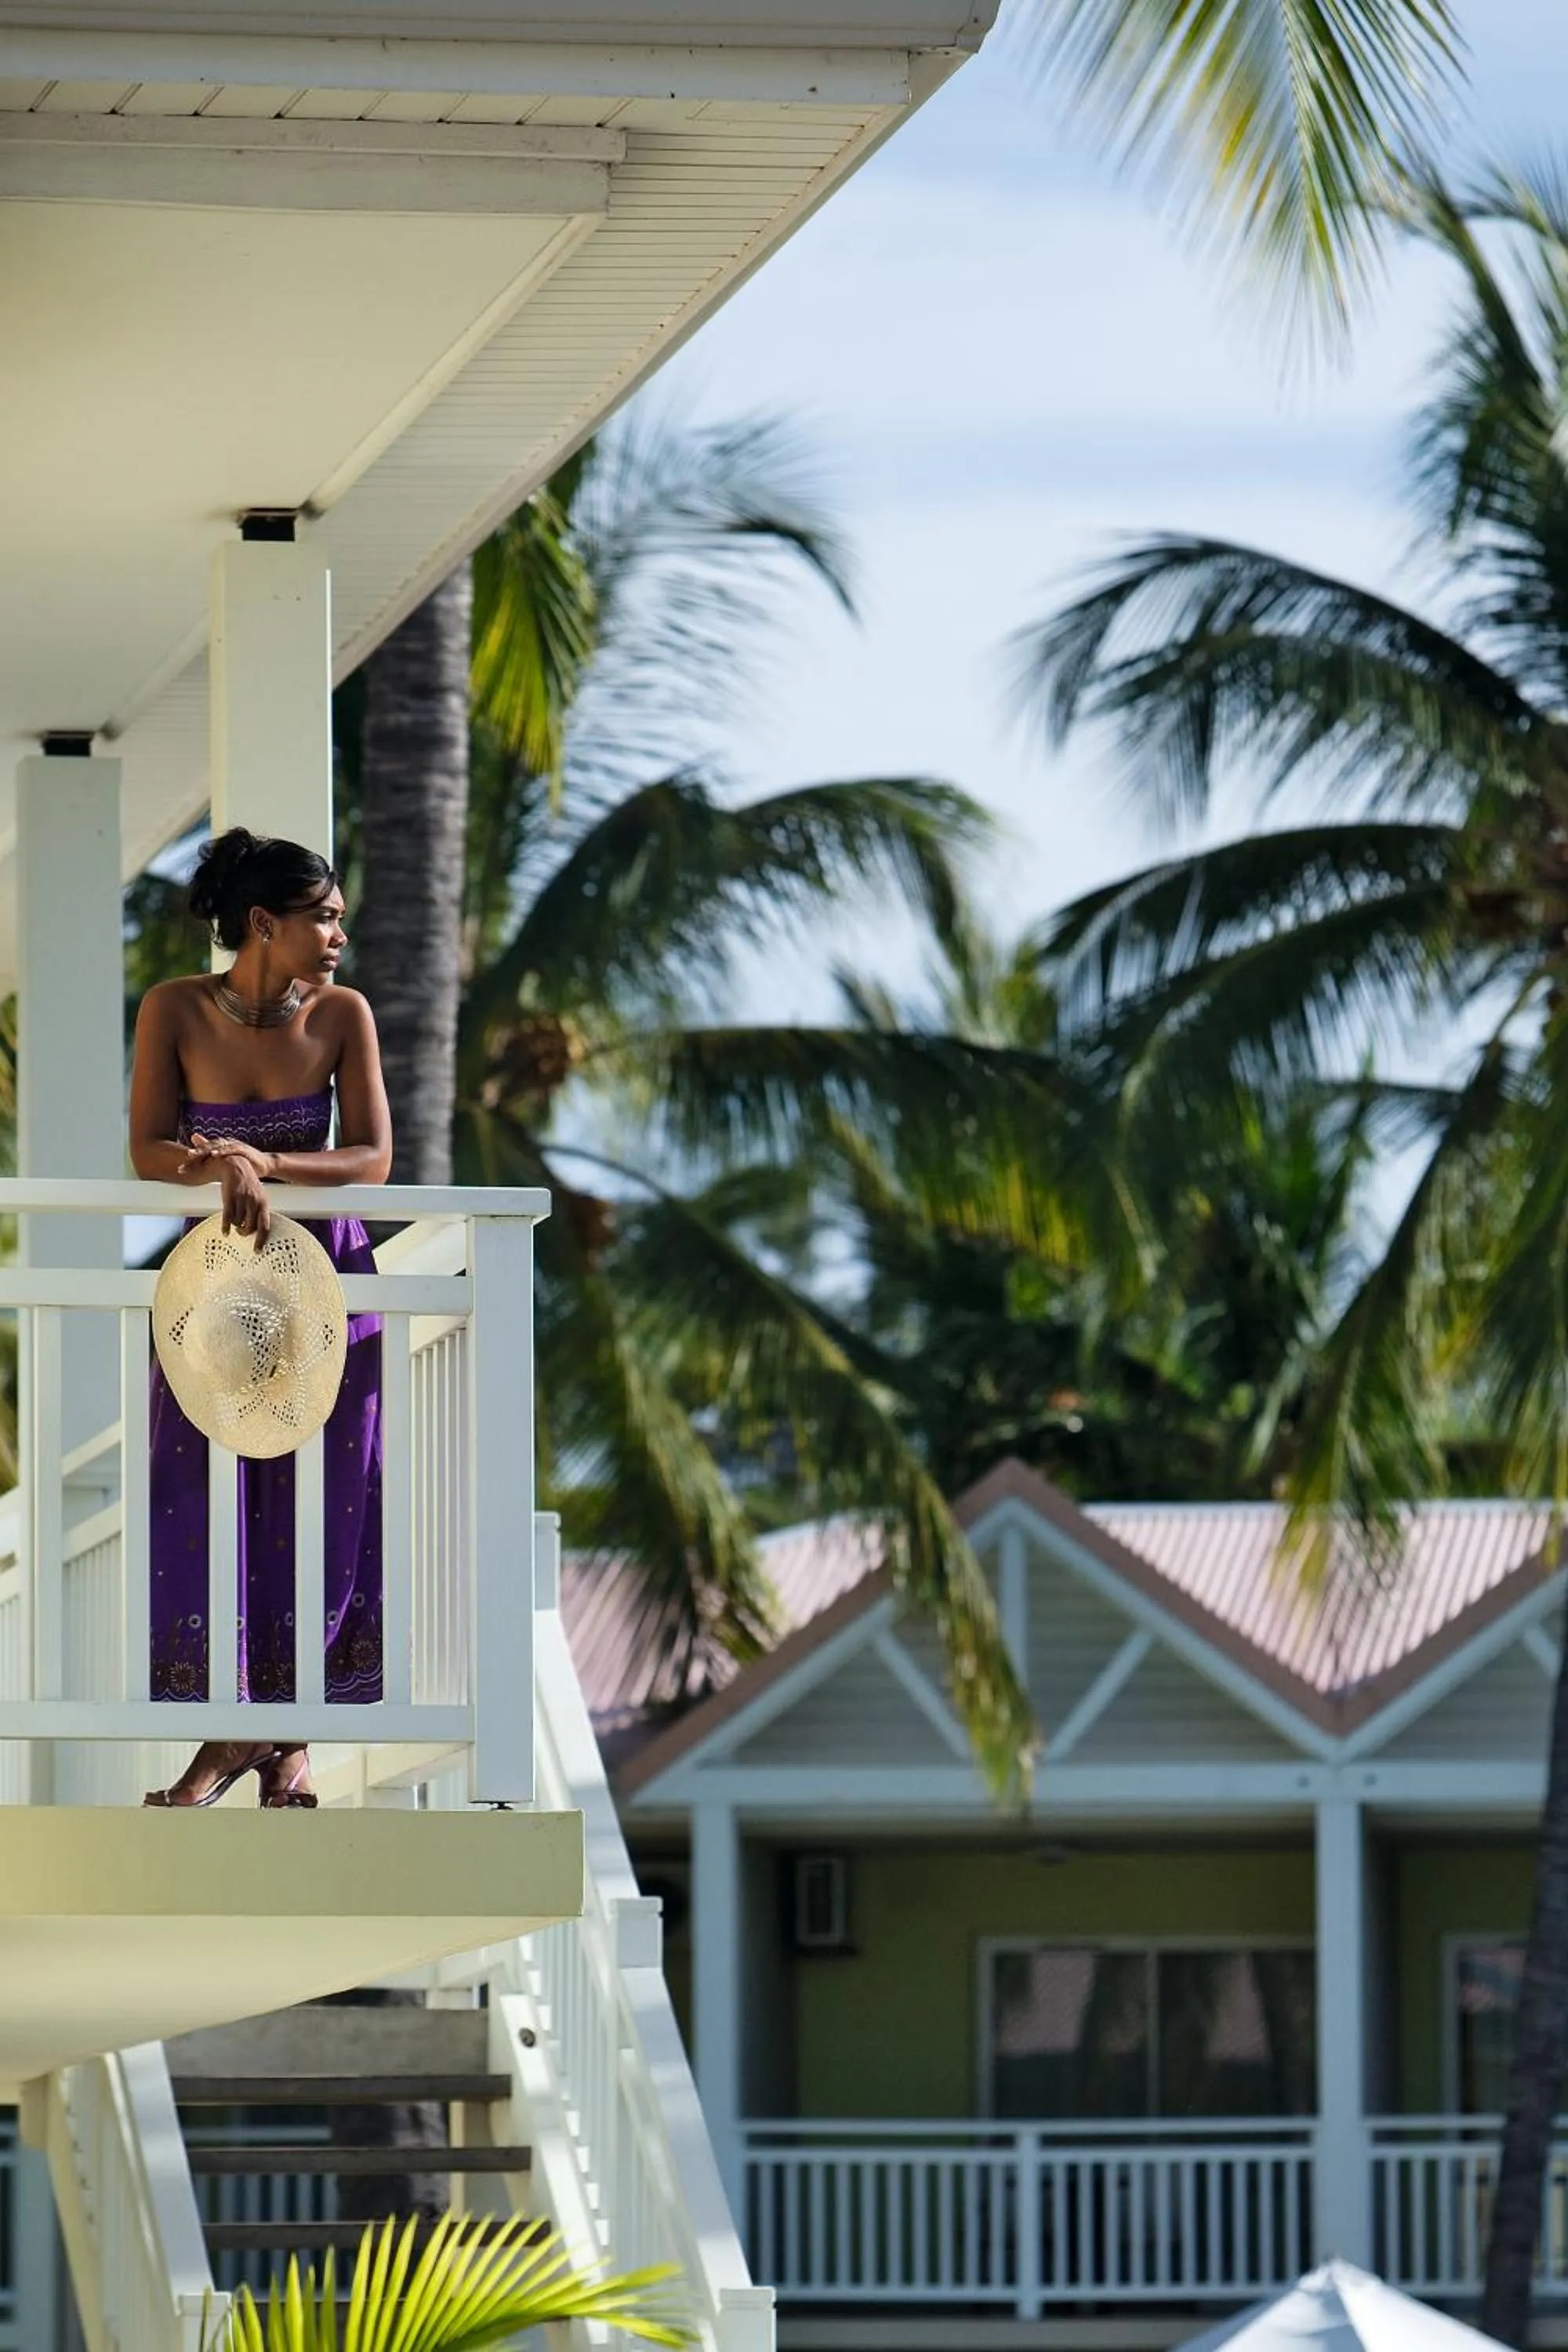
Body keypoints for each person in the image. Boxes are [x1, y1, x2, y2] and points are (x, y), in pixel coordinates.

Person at [129, 828, 393, 1807]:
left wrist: (264, 1162)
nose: (338, 936)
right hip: (215, 1295)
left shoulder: (342, 1015)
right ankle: (245, 1735)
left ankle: (283, 1737)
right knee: (206, 1497)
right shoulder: (174, 1009)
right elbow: (150, 1149)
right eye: (323, 917)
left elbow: (369, 1161)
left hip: (324, 1284)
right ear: (260, 925)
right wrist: (220, 1162)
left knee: (330, 1501)